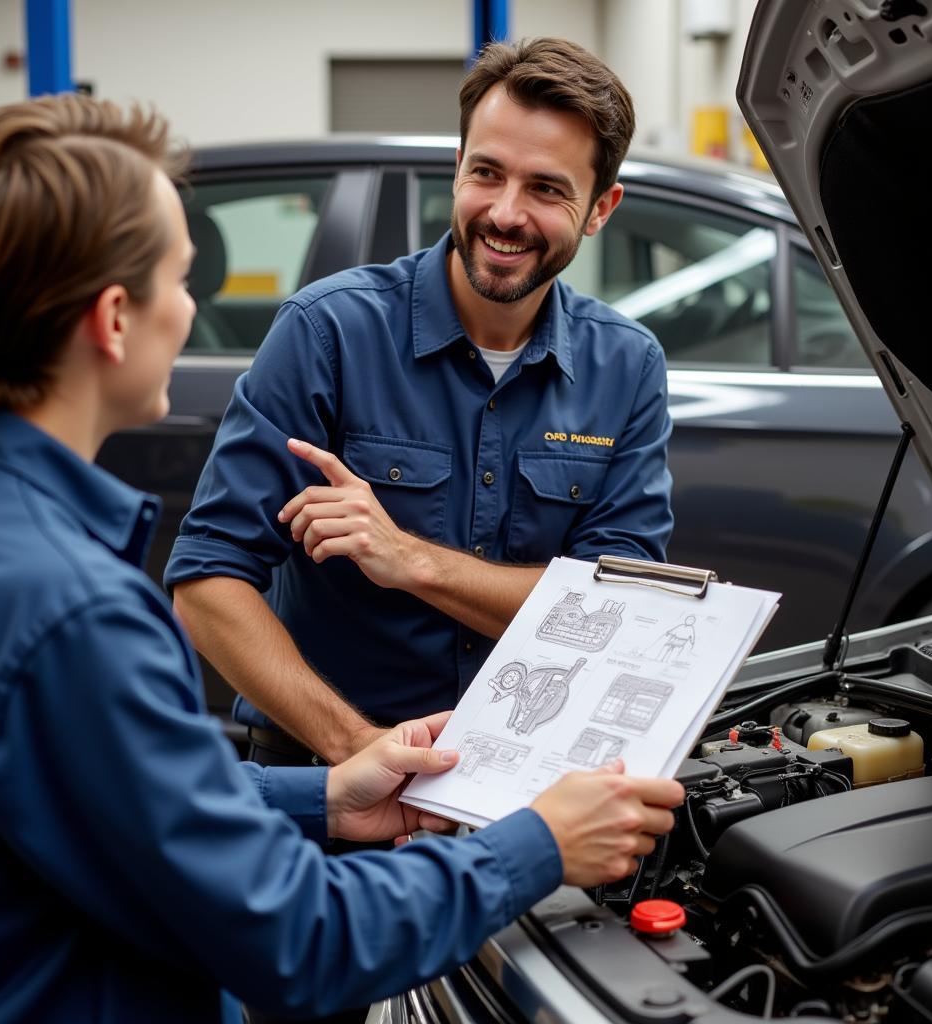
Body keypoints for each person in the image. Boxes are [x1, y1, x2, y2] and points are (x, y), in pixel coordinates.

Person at [0, 94, 684, 1024]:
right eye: (183, 278)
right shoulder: (72, 609)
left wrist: (327, 795)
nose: (195, 308)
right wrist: (534, 843)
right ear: (115, 321)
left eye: (544, 187)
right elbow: (298, 938)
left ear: (598, 206)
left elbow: (126, 790)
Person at [167, 37, 674, 770]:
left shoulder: (627, 367)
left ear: (601, 208)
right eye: (487, 173)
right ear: (457, 167)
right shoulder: (329, 331)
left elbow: (620, 612)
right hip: (327, 780)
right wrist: (360, 750)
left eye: (547, 189)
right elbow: (208, 580)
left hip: (525, 788)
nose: (505, 213)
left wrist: (410, 560)